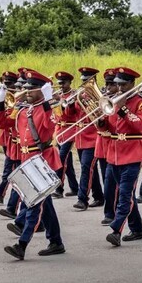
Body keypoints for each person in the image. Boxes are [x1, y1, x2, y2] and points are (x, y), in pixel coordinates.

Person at [0, 70, 65, 261]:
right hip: (27, 161)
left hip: (43, 161)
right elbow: (3, 123)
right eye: (25, 88)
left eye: (32, 88)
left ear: (43, 90)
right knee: (44, 204)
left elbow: (52, 125)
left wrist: (50, 101)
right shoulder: (23, 109)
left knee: (34, 204)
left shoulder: (47, 109)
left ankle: (22, 245)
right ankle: (56, 242)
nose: (26, 92)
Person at [99, 67, 142, 246]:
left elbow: (140, 125)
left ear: (132, 84)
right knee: (125, 195)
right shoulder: (113, 101)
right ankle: (137, 229)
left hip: (133, 155)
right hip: (114, 154)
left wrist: (123, 110)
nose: (119, 88)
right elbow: (107, 129)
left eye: (123, 84)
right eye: (117, 84)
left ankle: (116, 230)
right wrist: (100, 122)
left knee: (124, 195)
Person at [71, 67, 104, 211]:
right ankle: (99, 196)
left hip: (92, 137)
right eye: (83, 81)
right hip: (80, 137)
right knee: (90, 169)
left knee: (86, 167)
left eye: (87, 81)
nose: (84, 84)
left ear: (94, 80)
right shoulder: (80, 96)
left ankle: (82, 198)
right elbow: (69, 115)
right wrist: (70, 104)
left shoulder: (101, 97)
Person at [0, 71, 21, 217]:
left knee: (17, 176)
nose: (8, 87)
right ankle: (6, 200)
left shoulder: (20, 104)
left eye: (11, 84)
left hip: (23, 147)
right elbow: (0, 122)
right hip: (12, 143)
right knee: (12, 173)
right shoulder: (14, 103)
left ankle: (10, 206)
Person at [52, 71, 79, 199]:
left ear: (69, 83)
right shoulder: (58, 95)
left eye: (63, 83)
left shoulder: (73, 95)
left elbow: (70, 114)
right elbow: (56, 114)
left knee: (61, 159)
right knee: (67, 162)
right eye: (59, 83)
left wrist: (61, 100)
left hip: (70, 130)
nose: (61, 85)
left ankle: (59, 189)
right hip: (59, 131)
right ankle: (74, 187)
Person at [98, 68, 119, 225]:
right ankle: (109, 212)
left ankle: (118, 211)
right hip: (107, 146)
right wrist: (100, 120)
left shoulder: (127, 101)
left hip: (123, 148)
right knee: (108, 181)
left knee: (120, 186)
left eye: (112, 84)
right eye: (107, 85)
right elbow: (104, 128)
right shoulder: (106, 101)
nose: (109, 88)